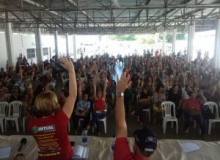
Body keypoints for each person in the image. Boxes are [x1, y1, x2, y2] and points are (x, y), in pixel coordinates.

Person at [27, 57, 77, 160]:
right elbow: (73, 95)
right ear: (52, 104)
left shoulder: (31, 124)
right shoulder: (59, 120)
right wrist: (71, 70)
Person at [114, 72, 157, 160]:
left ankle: (135, 112)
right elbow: (120, 123)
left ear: (135, 147)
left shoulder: (123, 157)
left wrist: (120, 92)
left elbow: (120, 123)